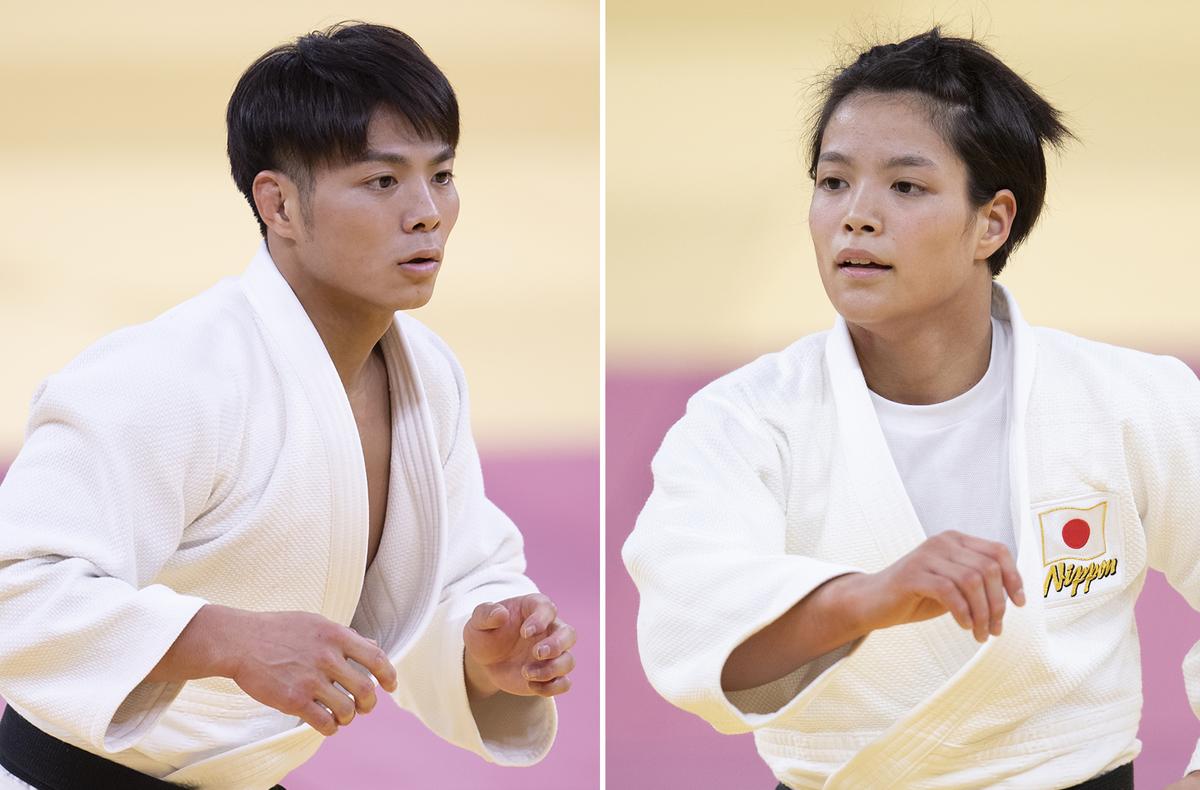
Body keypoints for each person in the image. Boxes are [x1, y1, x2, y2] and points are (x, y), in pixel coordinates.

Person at [0, 22, 576, 790]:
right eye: (382, 181)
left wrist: (487, 651)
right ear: (278, 204)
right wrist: (224, 640)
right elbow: (21, 585)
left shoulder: (426, 374)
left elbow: (456, 576)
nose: (426, 213)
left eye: (441, 175)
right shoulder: (166, 375)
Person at [623, 28, 1200, 790]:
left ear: (991, 222)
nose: (856, 217)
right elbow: (690, 628)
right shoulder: (742, 422)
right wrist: (871, 597)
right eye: (833, 183)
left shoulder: (1129, 402)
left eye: (905, 186)